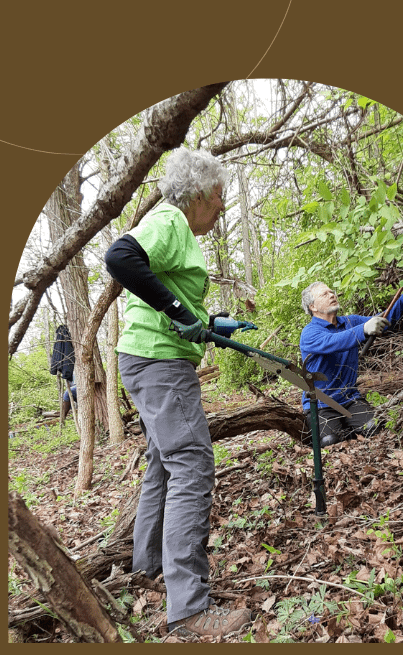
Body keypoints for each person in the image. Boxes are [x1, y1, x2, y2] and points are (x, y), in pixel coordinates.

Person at [104, 147, 251, 639]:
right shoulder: (169, 220)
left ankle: (145, 568)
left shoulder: (176, 229)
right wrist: (178, 310)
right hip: (159, 363)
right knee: (192, 462)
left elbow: (172, 294)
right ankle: (188, 611)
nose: (223, 206)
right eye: (219, 196)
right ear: (200, 195)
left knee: (163, 463)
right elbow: (120, 258)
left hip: (147, 358)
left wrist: (209, 321)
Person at [299, 282, 403, 448]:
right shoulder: (309, 333)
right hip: (321, 405)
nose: (332, 295)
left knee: (375, 428)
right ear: (312, 306)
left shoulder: (351, 322)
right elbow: (333, 342)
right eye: (324, 294)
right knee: (330, 442)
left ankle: (351, 428)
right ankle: (345, 430)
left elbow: (383, 320)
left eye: (332, 292)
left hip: (349, 399)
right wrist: (363, 329)